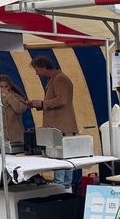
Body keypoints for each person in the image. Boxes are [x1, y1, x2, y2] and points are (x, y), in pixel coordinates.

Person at [28, 56, 79, 192]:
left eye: (37, 69)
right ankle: (65, 190)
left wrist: (43, 103)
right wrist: (39, 105)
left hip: (61, 128)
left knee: (61, 163)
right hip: (59, 128)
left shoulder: (60, 79)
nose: (37, 73)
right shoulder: (56, 79)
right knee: (64, 163)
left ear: (44, 67)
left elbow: (62, 100)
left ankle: (61, 190)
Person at [0, 75, 29, 142]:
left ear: (10, 86)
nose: (3, 89)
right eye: (1, 86)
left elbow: (19, 109)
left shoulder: (17, 97)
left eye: (6, 86)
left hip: (16, 138)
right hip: (0, 138)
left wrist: (9, 96)